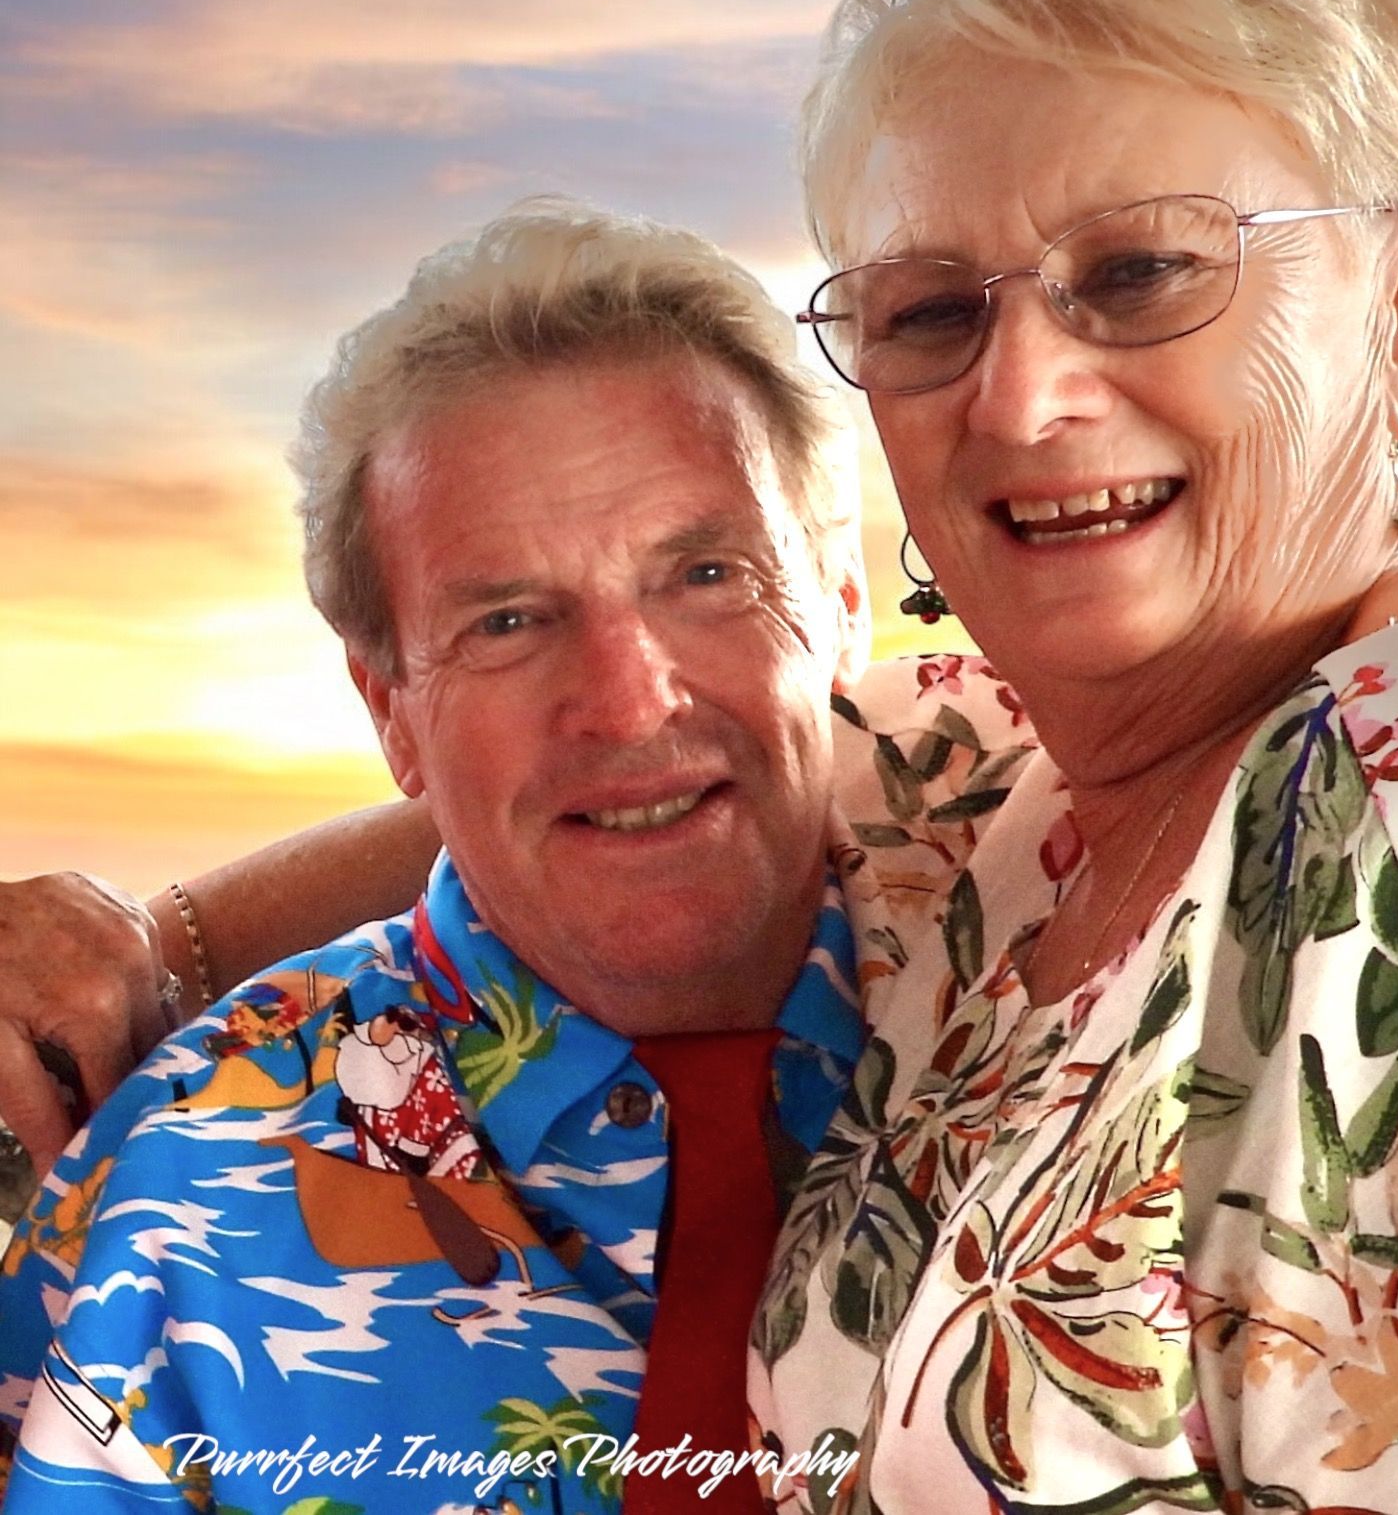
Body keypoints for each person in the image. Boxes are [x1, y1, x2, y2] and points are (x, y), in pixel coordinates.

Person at [5, 0, 1398, 1515]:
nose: (1026, 391)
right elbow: (643, 778)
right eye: (928, 311)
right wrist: (154, 947)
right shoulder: (1011, 802)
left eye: (1142, 270)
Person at [0, 205, 873, 1512]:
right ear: (390, 710)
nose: (630, 703)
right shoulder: (160, 1211)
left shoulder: (1072, 1012)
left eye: (704, 572)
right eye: (510, 621)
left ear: (844, 606)